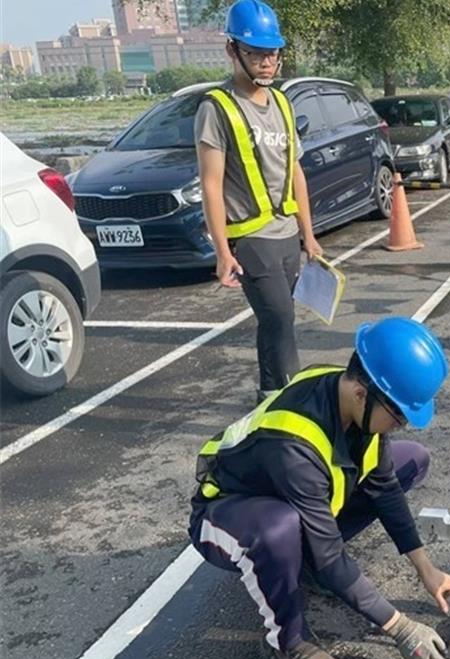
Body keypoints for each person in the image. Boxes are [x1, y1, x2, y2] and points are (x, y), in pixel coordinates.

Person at [188, 317, 450, 659]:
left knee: (411, 459)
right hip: (226, 516)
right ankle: (287, 643)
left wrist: (427, 569)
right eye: (398, 415)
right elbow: (331, 556)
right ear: (361, 393)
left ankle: (297, 564)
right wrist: (401, 627)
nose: (400, 425)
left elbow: (383, 485)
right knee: (280, 528)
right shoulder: (293, 446)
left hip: (292, 498)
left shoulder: (355, 395)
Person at [196, 0, 323, 404]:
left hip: (286, 235)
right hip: (251, 238)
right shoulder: (217, 109)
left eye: (273, 53)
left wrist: (309, 235)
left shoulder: (283, 103)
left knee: (275, 322)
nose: (267, 62)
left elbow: (295, 171)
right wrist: (221, 251)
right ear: (233, 51)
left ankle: (269, 397)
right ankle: (290, 404)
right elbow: (211, 185)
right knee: (280, 319)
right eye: (256, 53)